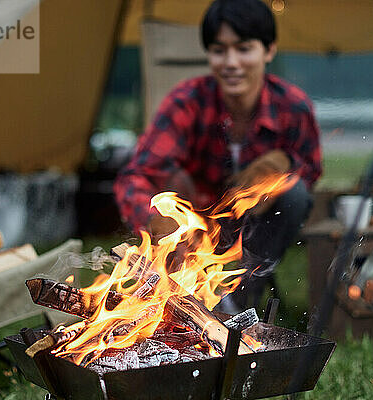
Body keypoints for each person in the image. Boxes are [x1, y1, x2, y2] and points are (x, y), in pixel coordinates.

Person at [114, 0, 322, 312]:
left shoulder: (293, 106)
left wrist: (280, 171)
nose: (231, 62)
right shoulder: (187, 101)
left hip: (258, 229)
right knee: (167, 182)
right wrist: (155, 219)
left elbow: (311, 170)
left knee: (294, 194)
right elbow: (136, 176)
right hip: (195, 226)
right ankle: (185, 300)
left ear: (269, 50)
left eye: (244, 48)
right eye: (219, 50)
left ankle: (239, 302)